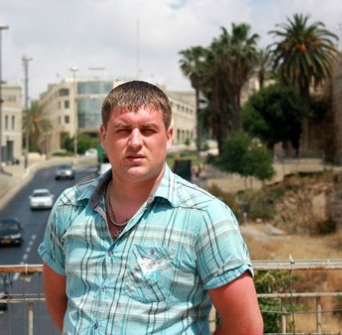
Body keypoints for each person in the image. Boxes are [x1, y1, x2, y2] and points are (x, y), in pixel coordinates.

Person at [39, 80, 263, 334]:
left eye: (148, 130)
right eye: (123, 130)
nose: (135, 142)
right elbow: (58, 301)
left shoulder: (206, 217)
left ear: (168, 136)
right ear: (103, 136)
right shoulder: (69, 207)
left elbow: (245, 327)